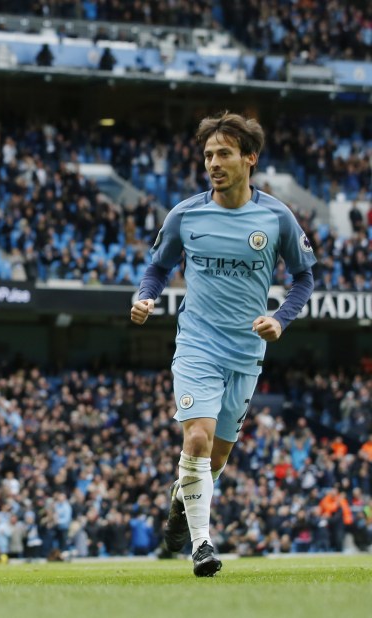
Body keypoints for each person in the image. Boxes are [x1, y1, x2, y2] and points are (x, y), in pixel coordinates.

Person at [131, 111, 316, 576]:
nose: (213, 162)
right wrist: (146, 296)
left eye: (224, 154)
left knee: (216, 457)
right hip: (197, 345)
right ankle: (201, 545)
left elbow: (303, 278)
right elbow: (157, 267)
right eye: (209, 154)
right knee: (196, 436)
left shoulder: (275, 217)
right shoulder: (187, 214)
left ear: (249, 158)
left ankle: (181, 502)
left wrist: (280, 319)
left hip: (247, 353)